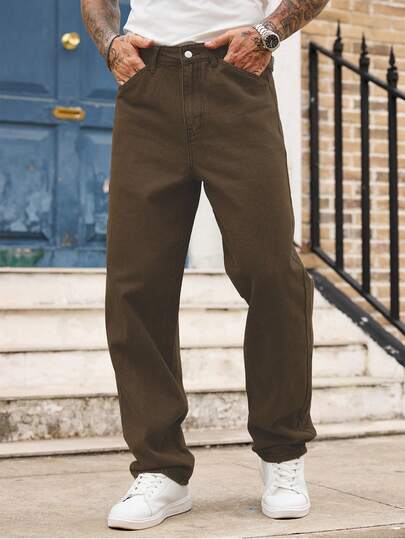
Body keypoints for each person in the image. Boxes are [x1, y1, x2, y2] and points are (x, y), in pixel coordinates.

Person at [81, 0, 329, 530]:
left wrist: (267, 33)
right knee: (136, 284)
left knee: (273, 273)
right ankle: (161, 469)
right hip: (148, 81)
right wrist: (109, 44)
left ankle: (282, 454)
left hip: (236, 76)